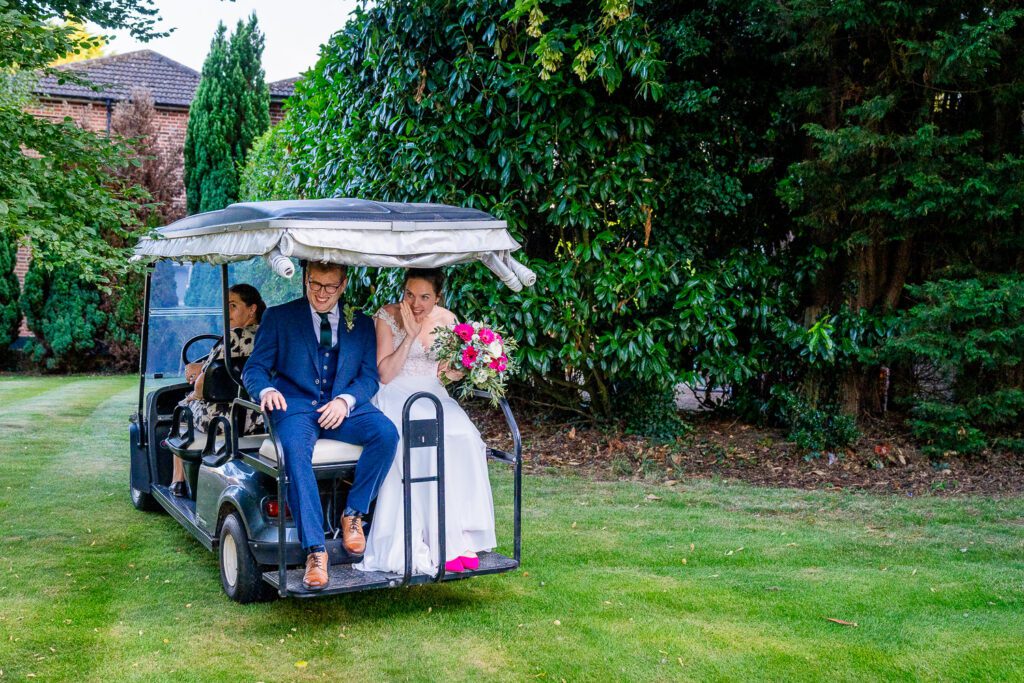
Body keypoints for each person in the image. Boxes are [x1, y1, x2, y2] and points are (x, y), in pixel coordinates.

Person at [242, 261, 399, 591]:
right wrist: (266, 390)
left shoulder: (362, 322)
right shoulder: (280, 317)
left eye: (330, 287)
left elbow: (369, 377)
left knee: (386, 434)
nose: (321, 294)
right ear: (305, 279)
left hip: (342, 408)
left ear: (343, 285)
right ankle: (315, 551)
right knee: (296, 454)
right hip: (294, 409)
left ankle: (354, 513)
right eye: (315, 284)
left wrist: (345, 401)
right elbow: (254, 370)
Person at [357, 268, 496, 576]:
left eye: (424, 297)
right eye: (409, 294)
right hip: (394, 393)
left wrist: (462, 369)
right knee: (423, 443)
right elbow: (385, 374)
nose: (416, 304)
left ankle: (458, 535)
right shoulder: (387, 316)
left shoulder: (447, 320)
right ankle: (436, 540)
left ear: (438, 297)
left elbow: (442, 373)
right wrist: (408, 334)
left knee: (464, 437)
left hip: (431, 393)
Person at [170, 283, 265, 497]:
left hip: (226, 419)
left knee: (182, 406)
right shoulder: (267, 336)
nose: (227, 312)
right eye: (225, 306)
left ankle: (178, 480)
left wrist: (194, 392)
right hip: (258, 416)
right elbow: (217, 368)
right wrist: (202, 368)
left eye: (233, 306)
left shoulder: (232, 337)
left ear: (252, 309)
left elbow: (203, 385)